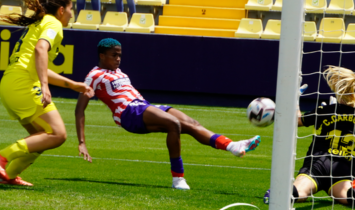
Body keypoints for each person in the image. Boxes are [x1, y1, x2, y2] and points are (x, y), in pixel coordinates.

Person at [75, 38, 260, 190]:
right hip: (128, 113)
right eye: (114, 55)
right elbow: (79, 109)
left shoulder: (118, 71)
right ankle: (178, 179)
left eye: (120, 55)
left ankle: (231, 146)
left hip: (144, 105)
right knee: (174, 124)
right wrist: (82, 142)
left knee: (191, 123)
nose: (118, 59)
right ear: (102, 55)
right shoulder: (94, 76)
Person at [0, 0, 94, 187]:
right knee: (58, 134)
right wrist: (44, 86)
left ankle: (8, 175)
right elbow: (40, 50)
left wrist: (73, 85)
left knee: (43, 137)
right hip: (24, 84)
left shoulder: (40, 23)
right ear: (61, 10)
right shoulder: (53, 23)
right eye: (71, 9)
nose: (71, 14)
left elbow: (38, 63)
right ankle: (1, 156)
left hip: (11, 83)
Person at [264, 66, 355, 208]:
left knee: (300, 190)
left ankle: (283, 194)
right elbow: (343, 123)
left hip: (318, 163)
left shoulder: (325, 111)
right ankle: (353, 193)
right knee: (345, 196)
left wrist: (295, 99)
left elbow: (297, 120)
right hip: (343, 167)